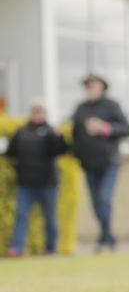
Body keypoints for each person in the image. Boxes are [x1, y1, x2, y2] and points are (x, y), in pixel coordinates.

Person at [71, 73, 129, 252]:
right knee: (96, 203)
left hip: (109, 161)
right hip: (89, 163)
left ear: (102, 86)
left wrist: (105, 128)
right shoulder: (80, 108)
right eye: (87, 85)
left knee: (104, 198)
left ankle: (104, 239)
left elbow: (126, 129)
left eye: (93, 85)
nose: (90, 88)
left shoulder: (111, 105)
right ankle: (108, 238)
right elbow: (75, 134)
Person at [5, 99, 69, 257]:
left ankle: (51, 249)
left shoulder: (51, 132)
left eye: (40, 112)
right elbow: (11, 152)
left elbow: (61, 150)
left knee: (50, 218)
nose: (37, 115)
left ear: (45, 114)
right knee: (21, 216)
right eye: (35, 112)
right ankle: (17, 248)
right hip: (25, 183)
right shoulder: (21, 132)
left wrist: (59, 137)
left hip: (48, 183)